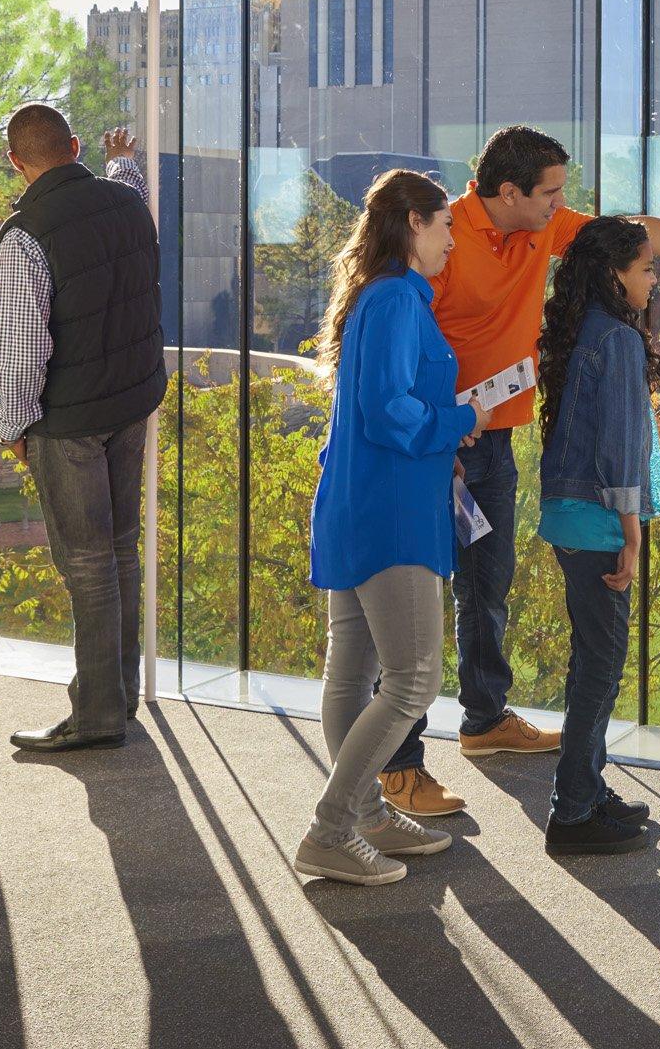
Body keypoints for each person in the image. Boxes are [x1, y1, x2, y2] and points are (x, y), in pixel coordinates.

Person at [374, 125, 660, 820]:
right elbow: (406, 335)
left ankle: (483, 718)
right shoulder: (445, 236)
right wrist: (431, 430)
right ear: (507, 192)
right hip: (434, 443)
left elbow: (634, 234)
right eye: (551, 191)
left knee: (489, 585)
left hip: (495, 438)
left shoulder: (543, 226)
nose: (560, 203)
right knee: (415, 608)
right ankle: (400, 763)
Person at [294, 171, 488, 886]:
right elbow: (390, 413)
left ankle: (367, 814)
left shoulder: (375, 298)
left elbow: (378, 410)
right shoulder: (400, 299)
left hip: (358, 502)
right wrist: (464, 421)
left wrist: (444, 444)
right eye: (444, 225)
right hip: (393, 514)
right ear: (413, 222)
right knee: (412, 678)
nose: (450, 240)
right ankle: (331, 827)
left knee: (351, 671)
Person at [0, 106, 166, 753]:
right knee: (119, 550)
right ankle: (117, 695)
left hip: (70, 421)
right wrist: (122, 160)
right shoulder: (127, 205)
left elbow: (22, 351)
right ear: (75, 146)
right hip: (131, 404)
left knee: (87, 563)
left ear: (16, 161)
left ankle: (95, 715)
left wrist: (11, 426)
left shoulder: (24, 234)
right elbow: (131, 189)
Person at [535, 219, 660, 855]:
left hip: (569, 515)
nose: (654, 278)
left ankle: (587, 784)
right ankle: (574, 812)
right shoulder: (615, 339)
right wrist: (631, 535)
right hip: (598, 522)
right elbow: (618, 452)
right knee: (602, 667)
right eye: (646, 268)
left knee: (591, 659)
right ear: (616, 274)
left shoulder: (579, 332)